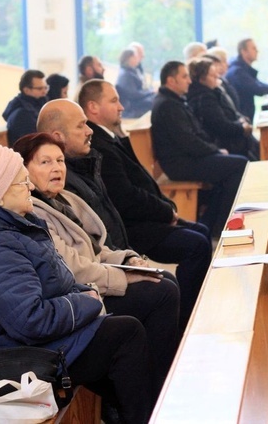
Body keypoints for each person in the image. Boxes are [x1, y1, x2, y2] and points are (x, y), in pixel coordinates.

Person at [0, 144, 153, 423]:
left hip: (35, 343)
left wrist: (83, 293)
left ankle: (136, 413)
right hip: (17, 357)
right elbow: (31, 321)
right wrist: (87, 301)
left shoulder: (14, 227)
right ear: (0, 193)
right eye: (21, 180)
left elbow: (58, 281)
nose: (29, 185)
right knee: (126, 334)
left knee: (122, 334)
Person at [13, 133, 179, 403]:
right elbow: (72, 269)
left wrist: (127, 259)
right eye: (45, 162)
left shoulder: (65, 199)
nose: (56, 168)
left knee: (164, 281)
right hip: (80, 297)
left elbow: (97, 249)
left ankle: (158, 379)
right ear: (24, 171)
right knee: (160, 294)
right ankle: (159, 389)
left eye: (59, 160)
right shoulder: (34, 213)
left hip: (94, 284)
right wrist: (124, 277)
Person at [79, 79, 211, 328]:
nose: (121, 107)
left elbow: (142, 178)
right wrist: (165, 211)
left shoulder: (110, 137)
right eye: (114, 100)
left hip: (146, 217)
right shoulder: (98, 145)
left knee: (201, 232)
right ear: (93, 107)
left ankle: (196, 311)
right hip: (133, 227)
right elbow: (126, 197)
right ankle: (187, 322)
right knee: (197, 244)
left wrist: (166, 207)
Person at [152, 61, 248, 237]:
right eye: (184, 76)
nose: (189, 81)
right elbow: (188, 141)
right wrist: (216, 151)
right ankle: (221, 224)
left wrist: (216, 149)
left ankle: (213, 225)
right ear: (171, 81)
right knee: (240, 164)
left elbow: (196, 135)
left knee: (230, 170)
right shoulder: (167, 105)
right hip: (180, 164)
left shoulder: (174, 101)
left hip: (188, 158)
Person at [37, 99, 130, 250]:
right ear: (57, 137)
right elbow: (91, 248)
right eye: (81, 126)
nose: (90, 131)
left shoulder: (85, 164)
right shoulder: (60, 181)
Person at [187, 57, 259, 160]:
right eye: (212, 75)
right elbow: (221, 126)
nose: (217, 76)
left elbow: (231, 112)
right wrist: (242, 127)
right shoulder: (204, 98)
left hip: (233, 137)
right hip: (225, 144)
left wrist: (242, 121)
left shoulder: (214, 91)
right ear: (202, 79)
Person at [225, 38, 268, 122]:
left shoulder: (243, 69)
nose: (257, 51)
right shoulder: (238, 72)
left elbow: (258, 84)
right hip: (241, 120)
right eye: (254, 48)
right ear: (243, 51)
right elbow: (257, 88)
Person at [3, 69, 48, 146]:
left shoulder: (39, 104)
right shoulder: (22, 113)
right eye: (40, 88)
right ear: (26, 90)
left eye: (46, 88)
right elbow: (33, 143)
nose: (44, 92)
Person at [115, 48, 154, 118]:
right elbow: (133, 94)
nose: (138, 59)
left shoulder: (131, 71)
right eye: (135, 57)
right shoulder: (126, 74)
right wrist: (151, 92)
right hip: (132, 107)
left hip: (136, 101)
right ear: (129, 58)